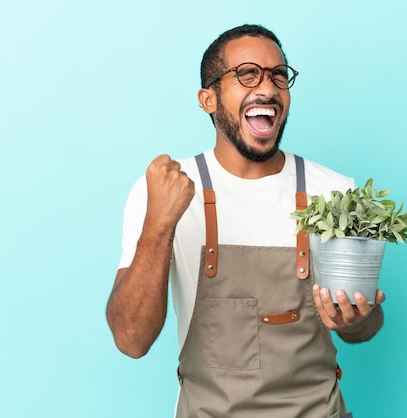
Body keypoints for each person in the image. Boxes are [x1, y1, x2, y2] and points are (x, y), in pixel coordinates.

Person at [106, 24, 385, 418]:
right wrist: (159, 224)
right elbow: (131, 339)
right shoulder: (163, 190)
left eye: (278, 75)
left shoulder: (336, 192)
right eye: (247, 74)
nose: (268, 89)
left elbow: (367, 324)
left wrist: (357, 320)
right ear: (208, 99)